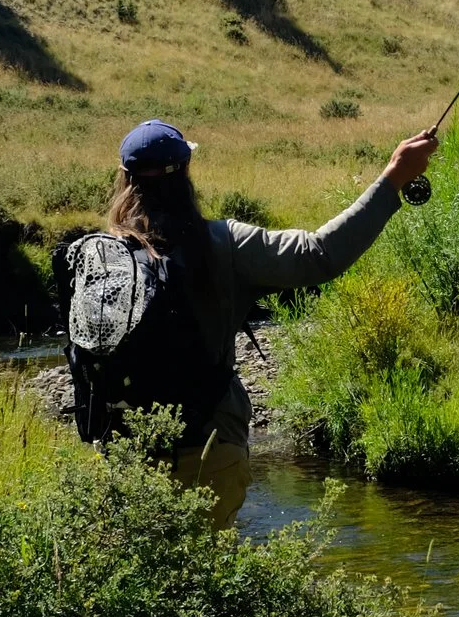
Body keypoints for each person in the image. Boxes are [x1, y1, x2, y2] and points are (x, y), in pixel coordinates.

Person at [95, 118, 437, 526]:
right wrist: (394, 175)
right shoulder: (224, 244)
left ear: (125, 179)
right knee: (208, 579)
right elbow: (318, 254)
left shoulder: (98, 256)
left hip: (118, 453)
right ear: (185, 174)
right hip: (208, 449)